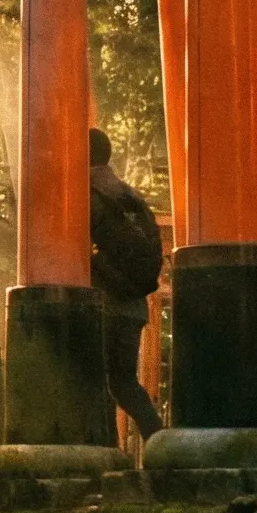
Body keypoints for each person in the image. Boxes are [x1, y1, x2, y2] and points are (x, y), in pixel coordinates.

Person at [89, 129, 167, 440]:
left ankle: (108, 453)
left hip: (101, 304)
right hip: (133, 304)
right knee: (123, 382)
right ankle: (161, 442)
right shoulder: (128, 195)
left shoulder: (84, 194)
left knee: (97, 383)